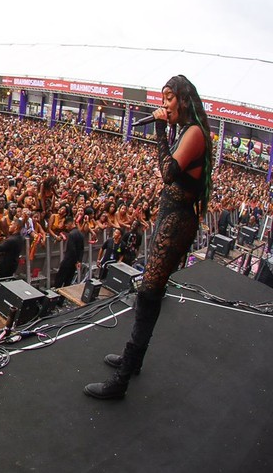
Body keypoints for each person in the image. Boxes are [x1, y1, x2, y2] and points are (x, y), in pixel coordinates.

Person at [85, 75, 213, 399]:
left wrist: (157, 128)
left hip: (178, 222)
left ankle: (122, 380)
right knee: (150, 292)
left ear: (183, 99)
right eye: (163, 97)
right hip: (171, 218)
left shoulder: (195, 132)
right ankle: (134, 359)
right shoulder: (186, 130)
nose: (164, 103)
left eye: (169, 97)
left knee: (148, 293)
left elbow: (169, 172)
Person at [53, 218, 86, 288]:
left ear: (70, 223)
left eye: (66, 225)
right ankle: (63, 297)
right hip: (74, 264)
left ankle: (56, 295)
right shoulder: (80, 234)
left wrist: (76, 261)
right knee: (68, 281)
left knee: (59, 280)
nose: (66, 227)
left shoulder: (71, 234)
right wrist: (79, 261)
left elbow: (72, 249)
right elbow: (82, 249)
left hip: (68, 261)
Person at [0, 218, 25, 283]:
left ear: (15, 227)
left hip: (4, 267)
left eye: (11, 225)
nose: (9, 226)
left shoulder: (11, 240)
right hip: (12, 267)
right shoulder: (21, 238)